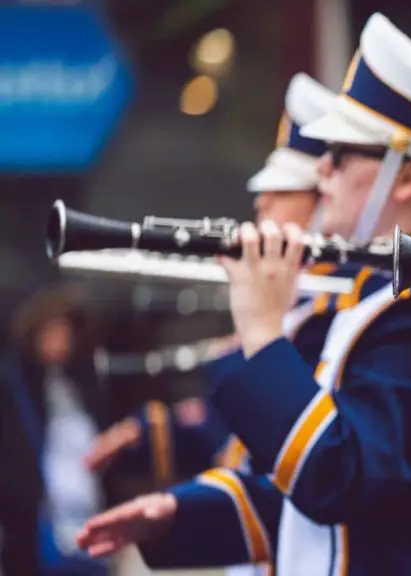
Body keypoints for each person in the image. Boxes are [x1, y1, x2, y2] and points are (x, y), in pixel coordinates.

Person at [76, 12, 411, 575]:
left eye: (340, 155)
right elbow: (322, 512)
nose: (323, 171)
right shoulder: (385, 306)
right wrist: (179, 512)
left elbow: (336, 478)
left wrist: (263, 332)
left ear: (409, 178)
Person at [82, 72, 339, 487]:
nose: (262, 201)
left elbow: (307, 460)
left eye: (285, 190)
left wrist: (256, 340)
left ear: (325, 201)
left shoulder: (332, 309)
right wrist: (153, 432)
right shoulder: (306, 302)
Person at [0, 284, 110, 575]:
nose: (60, 342)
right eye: (52, 331)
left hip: (88, 519)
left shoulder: (84, 384)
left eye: (65, 333)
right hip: (35, 524)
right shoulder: (15, 386)